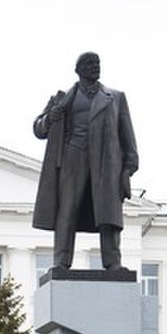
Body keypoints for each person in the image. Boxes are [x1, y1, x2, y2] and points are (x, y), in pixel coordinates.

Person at [32, 51, 139, 271]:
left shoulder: (115, 97)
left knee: (108, 213)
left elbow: (126, 133)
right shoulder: (63, 98)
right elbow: (39, 128)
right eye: (90, 64)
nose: (95, 67)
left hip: (106, 162)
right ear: (78, 70)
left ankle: (113, 262)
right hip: (73, 157)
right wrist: (50, 118)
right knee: (67, 209)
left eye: (97, 63)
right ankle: (61, 261)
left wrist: (129, 164)